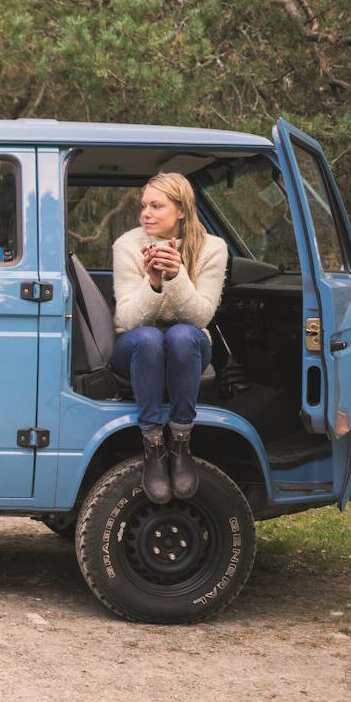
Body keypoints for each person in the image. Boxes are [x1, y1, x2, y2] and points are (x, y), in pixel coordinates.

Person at [110, 171, 228, 503]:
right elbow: (127, 319)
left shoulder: (213, 249)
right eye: (144, 205)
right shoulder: (127, 245)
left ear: (181, 210)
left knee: (182, 335)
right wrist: (153, 283)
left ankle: (180, 441)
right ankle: (153, 444)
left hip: (188, 344)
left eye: (157, 206)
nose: (146, 213)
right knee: (150, 338)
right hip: (136, 345)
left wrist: (176, 277)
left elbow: (201, 317)